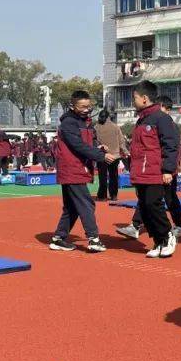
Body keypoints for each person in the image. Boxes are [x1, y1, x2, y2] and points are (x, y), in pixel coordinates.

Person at [49, 90, 115, 252]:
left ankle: (59, 238)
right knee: (86, 204)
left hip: (78, 168)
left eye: (88, 106)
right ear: (72, 106)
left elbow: (86, 142)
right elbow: (78, 146)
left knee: (71, 207)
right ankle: (93, 239)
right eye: (82, 107)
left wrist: (98, 147)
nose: (87, 109)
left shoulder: (83, 122)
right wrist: (101, 155)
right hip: (72, 169)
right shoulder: (69, 123)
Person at [125, 82, 180, 258]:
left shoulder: (161, 118)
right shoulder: (142, 119)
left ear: (144, 98)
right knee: (145, 208)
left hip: (155, 171)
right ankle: (158, 241)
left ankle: (167, 235)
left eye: (134, 97)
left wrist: (167, 170)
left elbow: (170, 145)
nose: (133, 101)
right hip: (140, 172)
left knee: (152, 205)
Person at [94, 109, 126, 202]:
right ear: (108, 117)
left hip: (102, 155)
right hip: (115, 156)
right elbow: (121, 141)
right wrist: (125, 151)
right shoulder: (116, 127)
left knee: (102, 177)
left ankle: (102, 196)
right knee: (113, 176)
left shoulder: (96, 127)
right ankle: (114, 195)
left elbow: (94, 142)